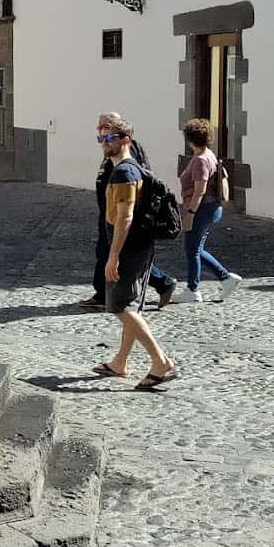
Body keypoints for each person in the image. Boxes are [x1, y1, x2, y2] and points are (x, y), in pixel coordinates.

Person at [92, 120, 177, 390]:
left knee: (120, 306)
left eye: (109, 138)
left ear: (125, 140)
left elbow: (125, 217)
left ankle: (161, 362)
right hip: (136, 246)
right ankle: (120, 362)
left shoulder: (125, 173)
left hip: (128, 248)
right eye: (101, 138)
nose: (104, 143)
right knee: (130, 306)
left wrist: (113, 255)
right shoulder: (127, 169)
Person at [79, 112, 176, 311]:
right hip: (110, 212)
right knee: (105, 254)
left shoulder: (127, 161)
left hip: (124, 218)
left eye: (106, 130)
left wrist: (115, 250)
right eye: (100, 132)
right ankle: (105, 294)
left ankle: (159, 284)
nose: (101, 135)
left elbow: (129, 207)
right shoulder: (114, 155)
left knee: (124, 306)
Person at [170, 117, 242, 304]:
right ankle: (226, 279)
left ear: (190, 139)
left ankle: (193, 290)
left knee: (191, 250)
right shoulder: (209, 155)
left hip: (202, 210)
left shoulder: (201, 160)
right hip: (211, 209)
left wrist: (190, 214)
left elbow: (200, 189)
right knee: (196, 249)